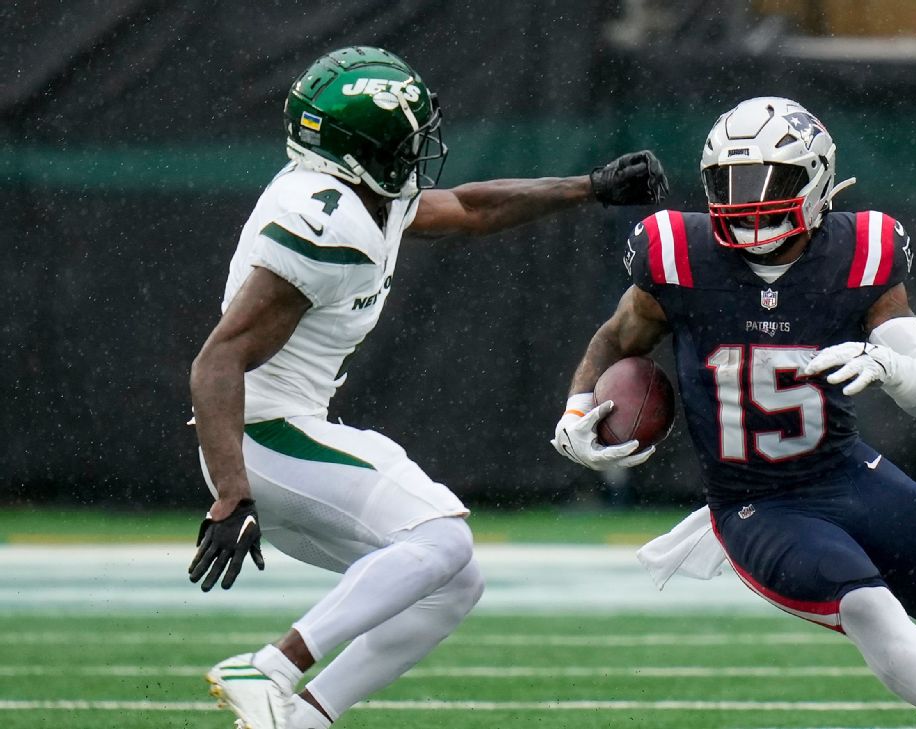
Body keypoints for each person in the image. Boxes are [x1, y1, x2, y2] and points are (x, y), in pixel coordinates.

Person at [187, 46, 668, 729]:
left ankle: (300, 719)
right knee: (441, 537)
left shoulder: (360, 197)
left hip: (276, 437)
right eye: (401, 140)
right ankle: (268, 666)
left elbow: (470, 208)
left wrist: (587, 187)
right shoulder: (326, 222)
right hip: (261, 437)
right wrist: (233, 493)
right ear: (357, 150)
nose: (417, 152)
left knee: (450, 582)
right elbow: (217, 360)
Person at [551, 97, 916, 729]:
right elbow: (618, 339)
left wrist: (892, 368)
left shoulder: (859, 251)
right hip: (756, 502)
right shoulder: (678, 252)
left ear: (815, 178)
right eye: (729, 181)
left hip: (844, 474)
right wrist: (575, 411)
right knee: (866, 604)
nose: (746, 200)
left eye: (767, 181)